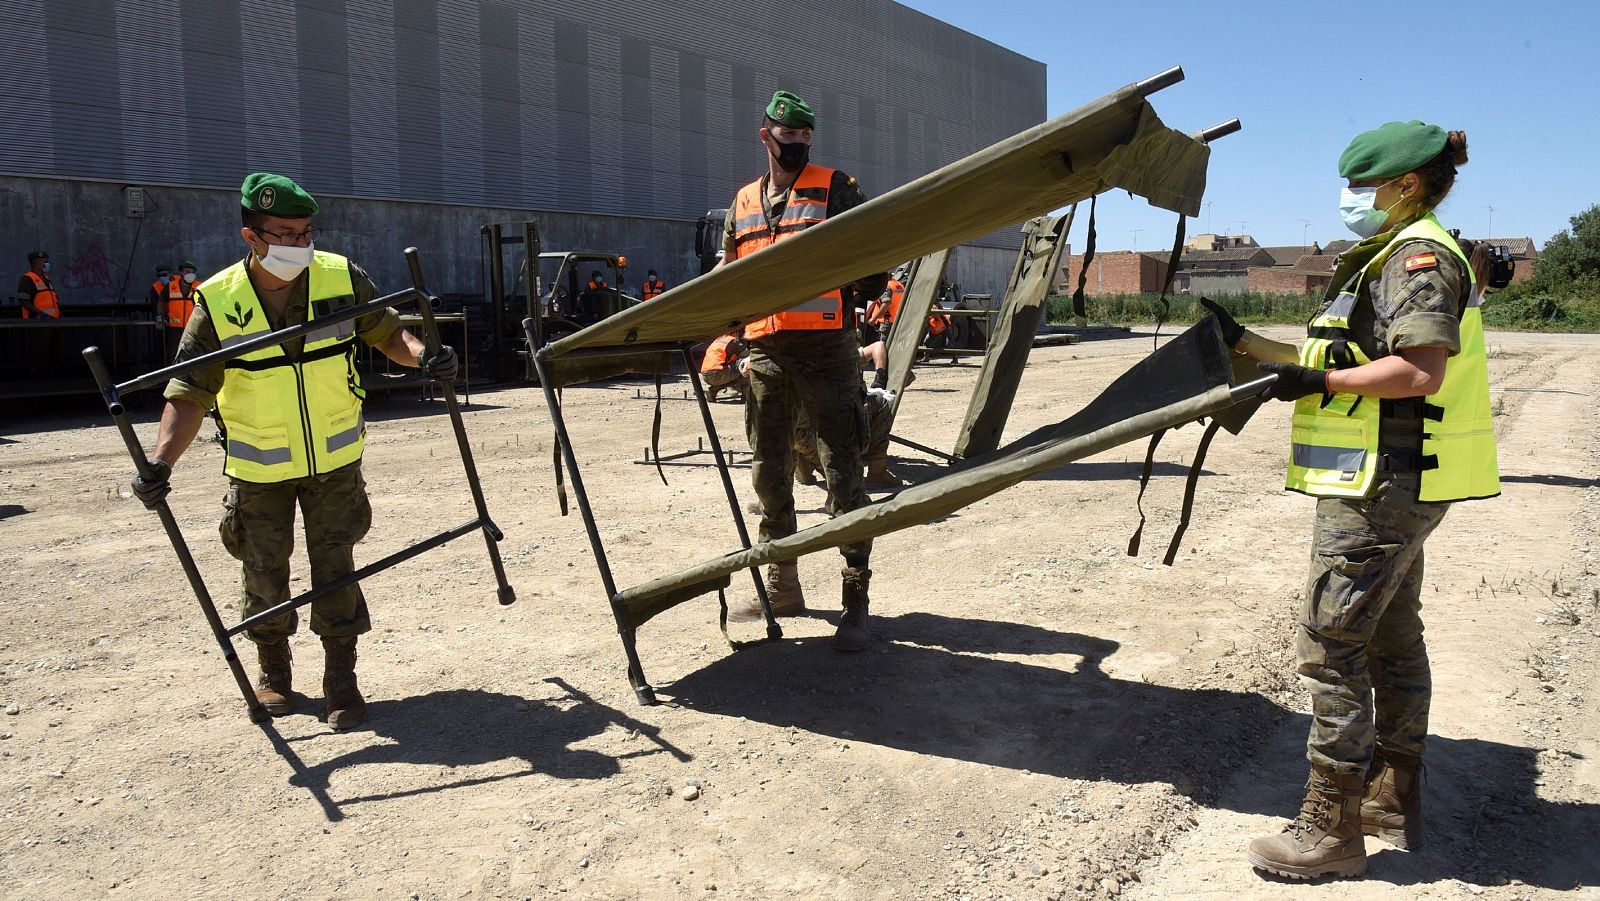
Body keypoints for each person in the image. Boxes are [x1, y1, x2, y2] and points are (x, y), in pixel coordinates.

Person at [1217, 121, 1498, 880]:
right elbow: (1343, 356)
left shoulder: (1419, 256)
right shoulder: (1393, 251)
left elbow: (1418, 369)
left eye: (1363, 186)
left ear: (1406, 184)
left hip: (1379, 482)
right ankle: (1389, 798)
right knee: (1388, 634)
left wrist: (1325, 384)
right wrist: (1255, 347)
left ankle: (1330, 825)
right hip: (1391, 478)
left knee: (1331, 640)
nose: (1352, 200)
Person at [129, 172, 458, 730]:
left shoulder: (339, 276)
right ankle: (274, 674)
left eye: (305, 232)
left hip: (334, 462)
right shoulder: (218, 300)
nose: (298, 244)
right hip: (260, 469)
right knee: (263, 570)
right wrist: (160, 462)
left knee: (336, 568)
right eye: (283, 233)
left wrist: (425, 358)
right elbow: (189, 392)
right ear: (251, 236)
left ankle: (341, 681)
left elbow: (387, 334)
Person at [717, 90, 889, 650]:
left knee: (843, 472)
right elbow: (727, 273)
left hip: (826, 351)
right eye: (789, 138)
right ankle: (783, 584)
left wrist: (851, 288)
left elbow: (872, 257)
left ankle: (855, 599)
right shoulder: (742, 202)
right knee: (770, 472)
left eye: (806, 139)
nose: (798, 147)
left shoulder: (836, 186)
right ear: (765, 136)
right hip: (767, 353)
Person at [699, 331, 748, 402]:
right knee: (746, 362)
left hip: (705, 376)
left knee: (730, 368)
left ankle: (713, 390)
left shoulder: (718, 340)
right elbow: (747, 355)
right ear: (735, 333)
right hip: (719, 374)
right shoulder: (732, 341)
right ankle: (746, 395)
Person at [16, 251, 60, 320]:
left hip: (52, 320)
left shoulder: (46, 278)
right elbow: (23, 301)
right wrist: (40, 313)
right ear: (36, 263)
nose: (47, 264)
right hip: (36, 322)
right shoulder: (27, 279)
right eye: (44, 261)